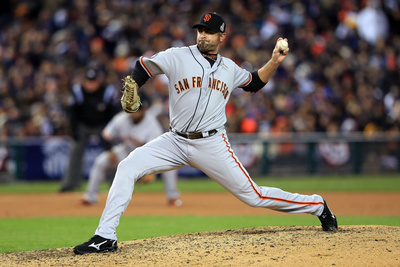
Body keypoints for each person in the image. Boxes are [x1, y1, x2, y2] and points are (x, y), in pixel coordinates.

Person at [74, 12, 337, 255]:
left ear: (222, 36)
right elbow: (143, 65)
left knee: (254, 196)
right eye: (200, 30)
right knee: (127, 165)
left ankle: (317, 205)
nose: (203, 35)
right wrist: (135, 84)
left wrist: (274, 61)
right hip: (175, 140)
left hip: (212, 143)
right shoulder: (178, 55)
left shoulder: (230, 68)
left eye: (209, 31)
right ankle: (105, 236)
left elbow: (254, 83)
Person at [80, 93, 181, 207]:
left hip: (146, 156)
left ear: (144, 110)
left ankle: (172, 195)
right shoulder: (121, 119)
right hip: (126, 152)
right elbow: (106, 136)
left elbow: (155, 149)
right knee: (101, 161)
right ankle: (90, 196)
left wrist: (149, 170)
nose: (134, 112)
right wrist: (110, 150)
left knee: (169, 163)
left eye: (137, 109)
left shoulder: (152, 124)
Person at [60, 67, 120, 192]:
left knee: (112, 152)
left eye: (93, 81)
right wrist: (73, 131)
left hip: (103, 125)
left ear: (99, 81)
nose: (91, 84)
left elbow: (114, 114)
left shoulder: (107, 92)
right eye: (88, 81)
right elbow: (72, 114)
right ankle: (70, 183)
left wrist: (112, 133)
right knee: (75, 149)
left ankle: (115, 184)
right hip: (83, 125)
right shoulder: (78, 91)